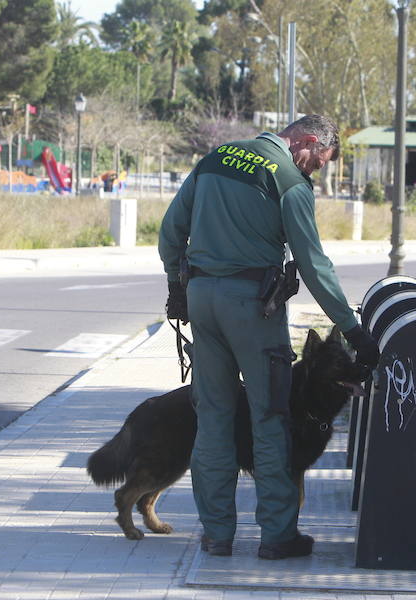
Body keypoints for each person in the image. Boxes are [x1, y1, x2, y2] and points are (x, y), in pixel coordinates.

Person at [158, 114, 379, 560]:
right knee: (270, 416)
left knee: (214, 417)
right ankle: (277, 536)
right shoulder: (289, 182)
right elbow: (314, 265)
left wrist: (175, 285)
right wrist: (353, 329)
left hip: (202, 299)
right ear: (308, 141)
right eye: (320, 161)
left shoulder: (215, 158)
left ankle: (217, 534)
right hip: (253, 308)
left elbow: (170, 232)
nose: (316, 171)